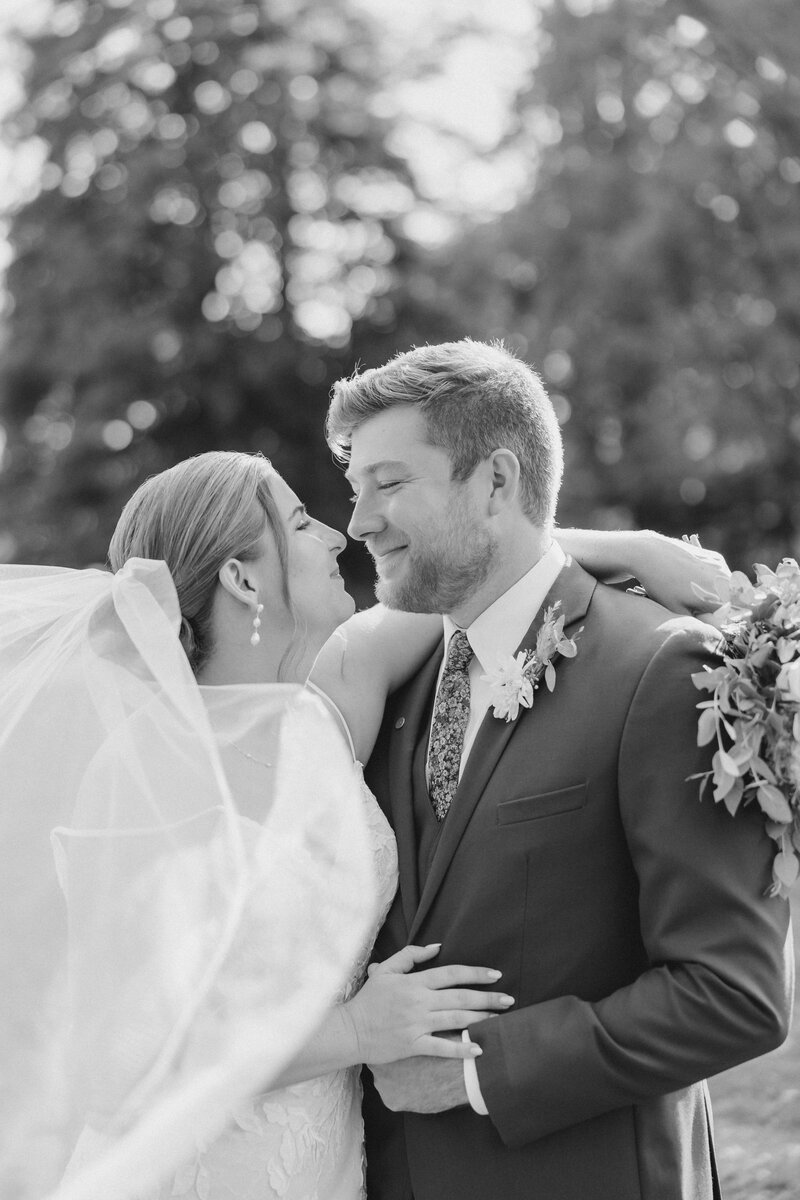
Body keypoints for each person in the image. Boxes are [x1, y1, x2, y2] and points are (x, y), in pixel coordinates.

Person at [0, 450, 739, 1200]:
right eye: (297, 522)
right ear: (242, 577)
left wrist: (637, 549)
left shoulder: (328, 708)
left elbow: (485, 566)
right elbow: (117, 1063)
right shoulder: (143, 778)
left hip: (333, 1166)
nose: (335, 535)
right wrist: (354, 1033)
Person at [326, 339, 794, 1200]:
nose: (359, 523)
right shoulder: (397, 678)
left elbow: (732, 995)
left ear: (497, 482)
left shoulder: (663, 671)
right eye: (356, 491)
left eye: (389, 485)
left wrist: (475, 1072)